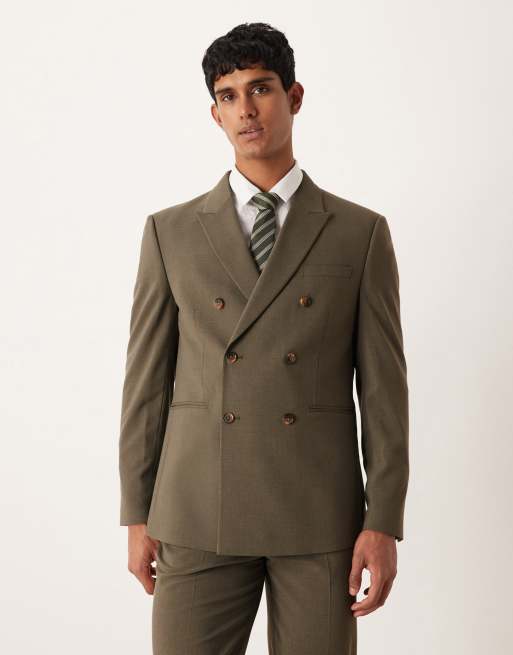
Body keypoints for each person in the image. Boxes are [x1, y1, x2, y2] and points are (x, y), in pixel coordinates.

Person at [118, 21, 409, 655]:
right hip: (196, 509)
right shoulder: (170, 232)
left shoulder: (359, 233)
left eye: (261, 88)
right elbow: (146, 386)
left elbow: (384, 393)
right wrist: (136, 512)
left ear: (294, 96)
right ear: (215, 114)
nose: (246, 109)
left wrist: (383, 520)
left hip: (318, 515)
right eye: (228, 96)